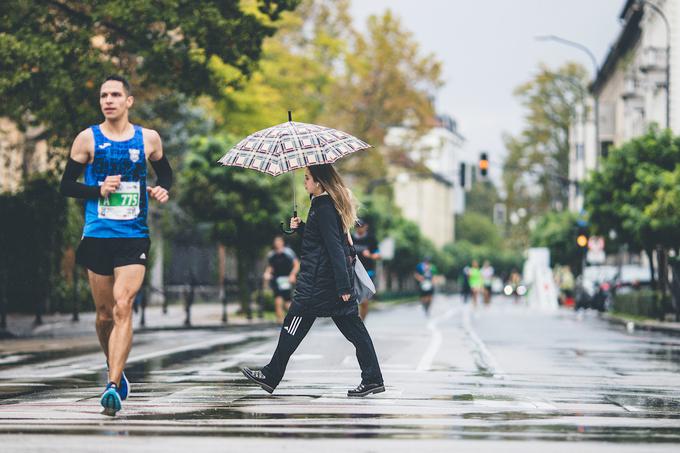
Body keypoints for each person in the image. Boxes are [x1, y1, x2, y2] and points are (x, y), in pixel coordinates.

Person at [59, 75, 172, 416]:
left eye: (115, 95)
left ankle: (112, 385)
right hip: (97, 234)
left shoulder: (148, 139)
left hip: (133, 235)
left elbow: (165, 174)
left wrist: (162, 188)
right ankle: (114, 365)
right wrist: (97, 191)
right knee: (104, 314)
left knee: (124, 305)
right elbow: (66, 185)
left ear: (129, 101)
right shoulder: (87, 139)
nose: (108, 100)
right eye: (104, 96)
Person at [241, 164, 384, 398]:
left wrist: (344, 286)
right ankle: (373, 378)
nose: (304, 183)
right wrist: (302, 229)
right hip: (324, 282)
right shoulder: (322, 205)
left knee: (293, 325)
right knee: (354, 330)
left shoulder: (325, 206)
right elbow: (321, 240)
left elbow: (335, 247)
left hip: (319, 284)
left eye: (307, 178)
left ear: (319, 182)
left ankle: (271, 374)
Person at [263, 236, 300, 324]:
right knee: (278, 299)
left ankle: (295, 318)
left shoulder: (288, 253)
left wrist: (292, 275)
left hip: (286, 279)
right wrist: (267, 274)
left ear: (282, 242)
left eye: (279, 241)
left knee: (287, 301)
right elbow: (270, 267)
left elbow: (297, 264)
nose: (277, 243)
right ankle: (280, 321)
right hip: (276, 279)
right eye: (276, 242)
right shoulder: (272, 255)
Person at [351, 219, 380, 320]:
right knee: (351, 300)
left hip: (367, 272)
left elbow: (378, 256)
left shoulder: (371, 239)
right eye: (357, 226)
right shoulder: (350, 237)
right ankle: (355, 322)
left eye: (361, 226)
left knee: (364, 301)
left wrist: (370, 255)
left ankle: (361, 322)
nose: (358, 229)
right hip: (352, 271)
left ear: (365, 226)